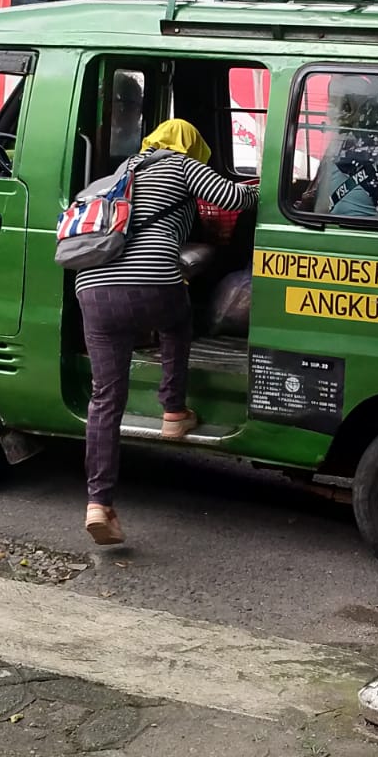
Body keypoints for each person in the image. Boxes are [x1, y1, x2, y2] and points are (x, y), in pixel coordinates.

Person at [74, 119, 258, 545]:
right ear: (190, 145)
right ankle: (173, 411)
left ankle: (99, 503)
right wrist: (268, 188)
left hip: (93, 289)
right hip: (153, 283)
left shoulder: (121, 172)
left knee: (105, 398)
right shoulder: (180, 164)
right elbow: (233, 198)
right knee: (178, 324)